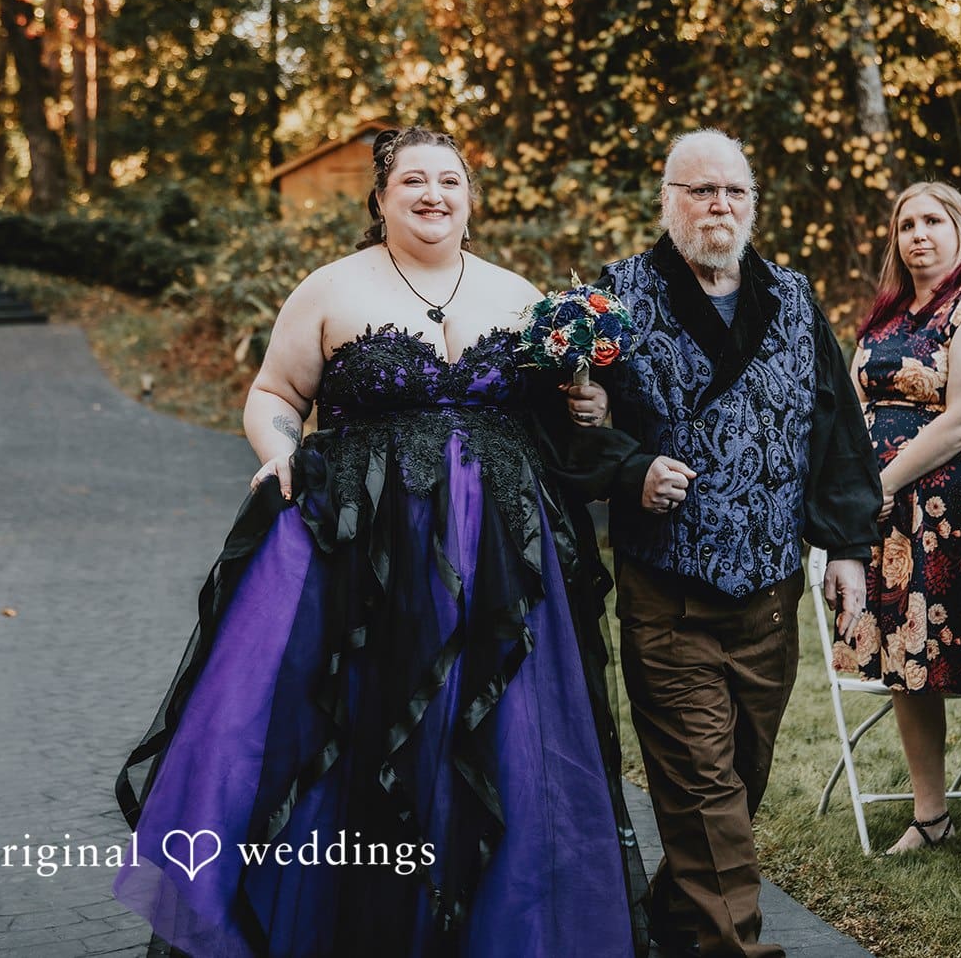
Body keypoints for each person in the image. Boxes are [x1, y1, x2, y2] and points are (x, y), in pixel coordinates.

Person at [113, 127, 647, 956]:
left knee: (505, 738)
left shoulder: (523, 296)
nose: (434, 194)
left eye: (450, 181)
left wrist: (590, 407)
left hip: (501, 554)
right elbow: (272, 393)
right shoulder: (330, 289)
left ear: (472, 198)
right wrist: (280, 450)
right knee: (354, 733)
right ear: (381, 198)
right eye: (413, 182)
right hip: (361, 552)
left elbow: (557, 413)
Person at [561, 128, 880, 958]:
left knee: (734, 786)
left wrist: (845, 547)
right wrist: (632, 468)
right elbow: (572, 424)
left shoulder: (792, 293)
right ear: (668, 200)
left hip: (769, 597)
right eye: (701, 191)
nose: (719, 206)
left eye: (734, 192)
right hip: (669, 593)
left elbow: (836, 430)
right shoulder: (614, 298)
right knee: (706, 796)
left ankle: (670, 928)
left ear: (753, 203)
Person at [839, 180, 961, 867]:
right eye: (906, 223)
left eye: (932, 220)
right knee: (904, 659)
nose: (917, 233)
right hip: (893, 521)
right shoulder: (888, 315)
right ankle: (930, 814)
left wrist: (881, 482)